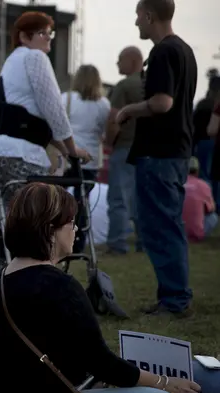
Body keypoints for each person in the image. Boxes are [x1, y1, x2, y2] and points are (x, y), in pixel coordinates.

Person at [0, 183, 200, 393]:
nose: (75, 230)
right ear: (49, 230)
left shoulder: (0, 281)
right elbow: (102, 363)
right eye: (71, 223)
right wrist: (163, 383)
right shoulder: (60, 286)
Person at [0, 11, 90, 285]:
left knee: (2, 227)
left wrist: (64, 149)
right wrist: (72, 149)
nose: (49, 40)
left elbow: (28, 116)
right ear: (25, 37)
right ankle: (25, 283)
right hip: (19, 154)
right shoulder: (34, 57)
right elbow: (53, 108)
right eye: (43, 34)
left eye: (50, 34)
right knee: (28, 226)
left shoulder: (12, 61)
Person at [116, 0, 197, 318]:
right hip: (174, 151)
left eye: (138, 16)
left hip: (160, 152)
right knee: (168, 223)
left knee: (159, 225)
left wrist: (128, 110)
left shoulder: (163, 51)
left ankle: (175, 299)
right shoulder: (185, 50)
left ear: (149, 15)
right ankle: (174, 296)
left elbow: (162, 103)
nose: (136, 22)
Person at [104, 46, 145, 255]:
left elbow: (114, 120)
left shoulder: (123, 86)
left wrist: (109, 142)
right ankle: (143, 243)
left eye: (120, 60)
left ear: (132, 60)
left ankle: (117, 243)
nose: (118, 64)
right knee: (142, 199)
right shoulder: (150, 83)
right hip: (147, 150)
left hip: (125, 147)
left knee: (118, 198)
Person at [62, 65, 110, 177]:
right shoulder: (104, 104)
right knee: (84, 192)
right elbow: (104, 133)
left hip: (69, 156)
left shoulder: (65, 98)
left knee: (62, 192)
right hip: (91, 159)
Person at [182, 158, 217, 242]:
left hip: (176, 230)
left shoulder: (177, 183)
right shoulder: (204, 185)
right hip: (196, 233)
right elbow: (211, 209)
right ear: (197, 171)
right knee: (213, 217)